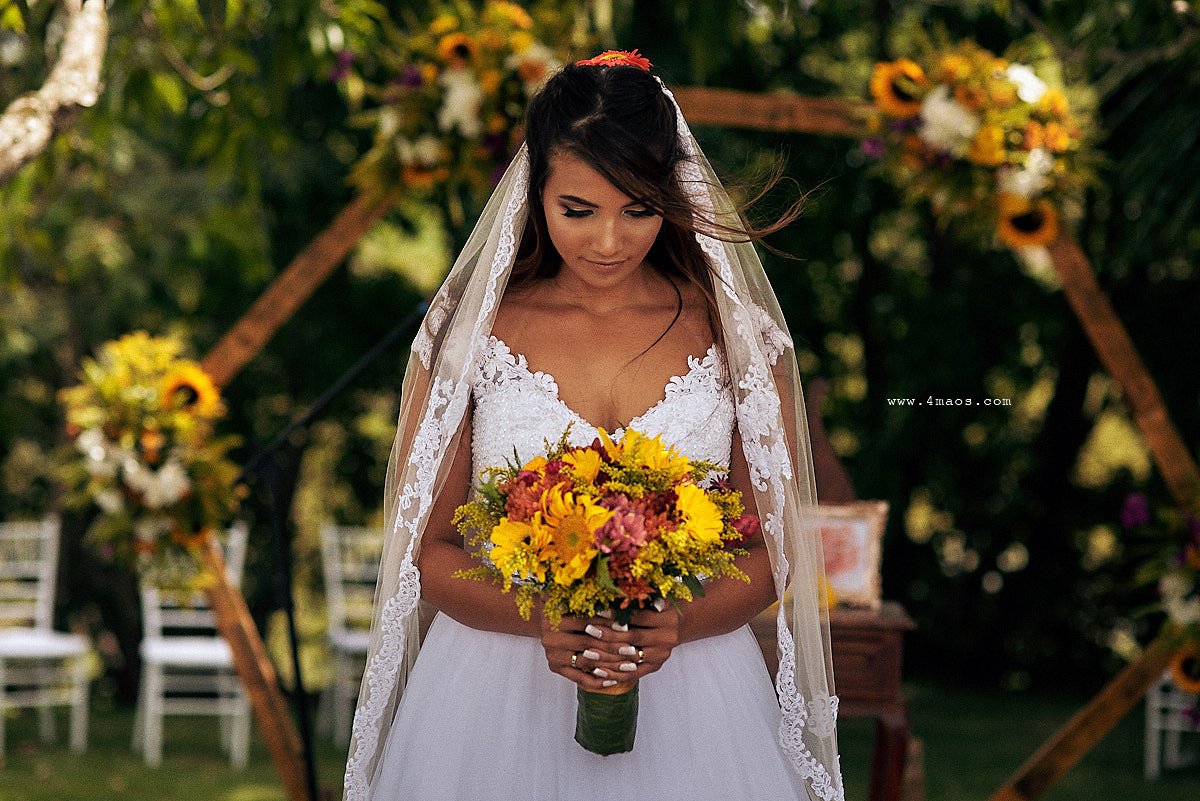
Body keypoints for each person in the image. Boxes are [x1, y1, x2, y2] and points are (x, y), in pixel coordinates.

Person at [344, 51, 844, 801]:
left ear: (670, 198)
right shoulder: (471, 334)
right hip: (488, 695)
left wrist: (675, 620)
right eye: (578, 210)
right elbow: (429, 548)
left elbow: (771, 552)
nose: (608, 241)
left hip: (696, 693)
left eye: (637, 209)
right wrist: (540, 615)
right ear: (532, 194)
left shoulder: (737, 335)